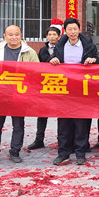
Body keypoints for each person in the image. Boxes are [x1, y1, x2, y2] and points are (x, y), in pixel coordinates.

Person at [0, 25, 39, 165]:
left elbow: (37, 72)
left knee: (18, 125)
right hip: (0, 93)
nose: (14, 37)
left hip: (19, 94)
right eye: (10, 35)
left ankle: (15, 151)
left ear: (21, 35)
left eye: (17, 34)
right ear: (5, 36)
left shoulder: (29, 52)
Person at [50, 18, 98, 166]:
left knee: (81, 123)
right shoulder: (60, 45)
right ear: (65, 31)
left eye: (75, 29)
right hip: (64, 90)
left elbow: (98, 60)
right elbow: (52, 61)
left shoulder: (88, 45)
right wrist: (53, 60)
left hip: (82, 90)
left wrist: (93, 60)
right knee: (64, 124)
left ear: (79, 30)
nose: (72, 32)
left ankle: (80, 153)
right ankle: (63, 153)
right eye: (69, 29)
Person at [29, 20, 63, 151]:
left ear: (59, 37)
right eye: (50, 34)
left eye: (55, 34)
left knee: (61, 115)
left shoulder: (63, 49)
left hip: (60, 85)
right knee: (42, 114)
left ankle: (62, 140)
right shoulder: (42, 50)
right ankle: (39, 140)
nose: (52, 37)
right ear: (46, 36)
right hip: (45, 85)